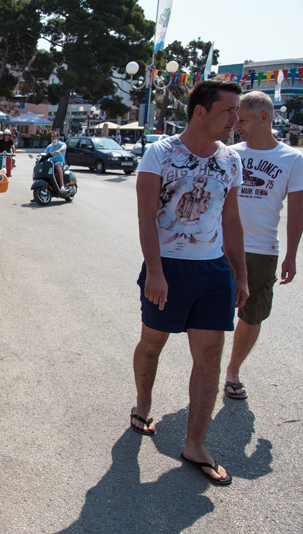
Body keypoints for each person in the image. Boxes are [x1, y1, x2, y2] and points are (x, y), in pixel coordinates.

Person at [130, 79, 248, 486]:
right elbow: (147, 217)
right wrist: (156, 271)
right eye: (229, 111)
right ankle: (143, 404)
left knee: (210, 355)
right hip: (170, 267)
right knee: (153, 343)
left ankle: (195, 444)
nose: (237, 118)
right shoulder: (159, 154)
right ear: (201, 111)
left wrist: (241, 274)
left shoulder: (231, 159)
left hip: (213, 270)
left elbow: (231, 221)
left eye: (238, 112)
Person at [223, 91, 303, 400]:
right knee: (212, 311)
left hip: (262, 251)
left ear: (263, 117)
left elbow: (296, 212)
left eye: (242, 120)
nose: (236, 125)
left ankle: (232, 370)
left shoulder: (292, 159)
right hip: (220, 246)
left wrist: (291, 256)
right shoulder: (229, 153)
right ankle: (206, 367)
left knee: (252, 315)